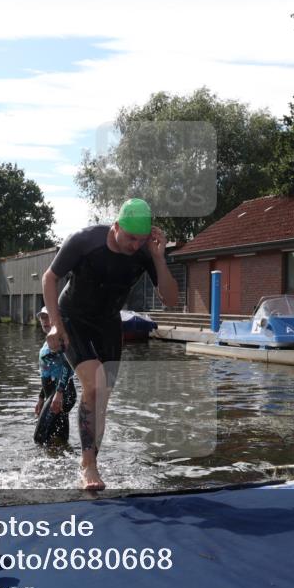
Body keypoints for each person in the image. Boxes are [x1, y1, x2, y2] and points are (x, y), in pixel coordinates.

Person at [42, 198, 178, 489]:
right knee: (93, 386)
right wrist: (55, 323)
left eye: (141, 240)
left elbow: (171, 300)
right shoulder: (85, 240)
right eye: (130, 238)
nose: (134, 246)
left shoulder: (144, 252)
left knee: (102, 398)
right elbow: (49, 278)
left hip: (107, 323)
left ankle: (92, 461)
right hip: (73, 317)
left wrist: (157, 257)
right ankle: (88, 466)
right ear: (116, 227)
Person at [34, 306, 77, 445]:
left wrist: (59, 393)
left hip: (62, 393)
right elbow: (47, 373)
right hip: (54, 395)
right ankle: (63, 461)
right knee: (58, 437)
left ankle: (39, 465)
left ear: (56, 320)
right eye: (42, 318)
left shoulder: (60, 341)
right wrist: (41, 398)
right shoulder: (47, 343)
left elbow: (67, 366)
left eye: (48, 317)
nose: (45, 321)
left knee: (39, 437)